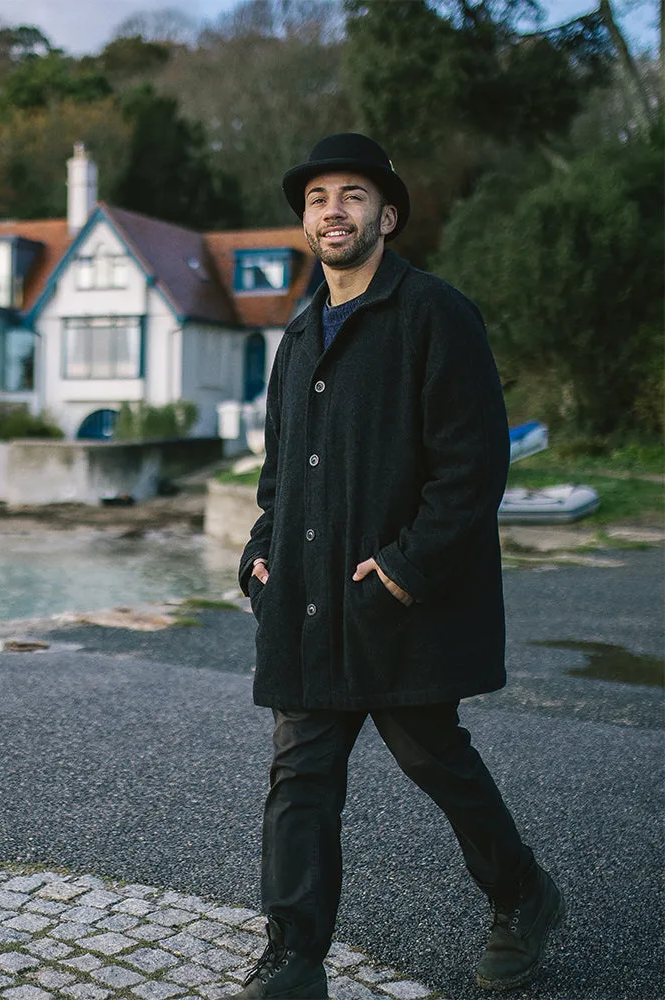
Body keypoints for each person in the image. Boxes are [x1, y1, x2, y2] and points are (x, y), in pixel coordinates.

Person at [230, 133, 564, 999]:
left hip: (397, 600)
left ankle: (523, 895)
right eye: (316, 198)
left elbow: (473, 467)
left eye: (350, 195)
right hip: (303, 603)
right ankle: (296, 960)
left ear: (387, 214)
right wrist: (259, 558)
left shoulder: (434, 313)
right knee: (299, 777)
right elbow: (278, 477)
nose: (331, 211)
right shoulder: (299, 332)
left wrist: (404, 570)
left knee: (434, 759)